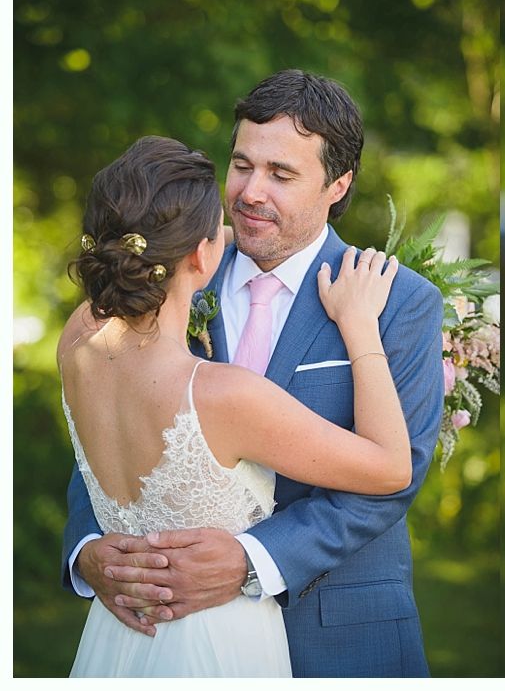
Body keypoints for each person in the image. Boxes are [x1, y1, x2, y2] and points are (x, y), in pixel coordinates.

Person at [62, 70, 444, 677]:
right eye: (242, 165)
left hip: (339, 632)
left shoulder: (397, 302)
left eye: (282, 175)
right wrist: (89, 551)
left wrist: (251, 559)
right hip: (164, 626)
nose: (250, 192)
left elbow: (398, 475)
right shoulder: (171, 271)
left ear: (337, 185)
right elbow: (106, 434)